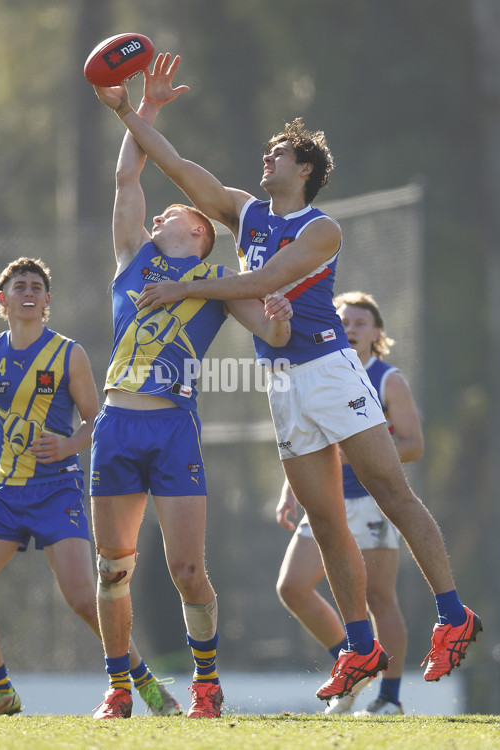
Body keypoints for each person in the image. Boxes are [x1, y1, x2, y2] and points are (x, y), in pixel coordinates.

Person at [93, 56, 482, 703]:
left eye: (278, 154)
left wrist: (186, 286)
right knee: (325, 521)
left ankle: (453, 614)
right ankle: (359, 646)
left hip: (330, 371)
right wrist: (129, 112)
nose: (266, 159)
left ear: (304, 170)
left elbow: (264, 282)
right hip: (282, 385)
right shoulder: (244, 214)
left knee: (390, 490)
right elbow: (178, 168)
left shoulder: (320, 229)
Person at [89, 55, 292, 720]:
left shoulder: (216, 282)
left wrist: (282, 318)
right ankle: (119, 688)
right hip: (117, 425)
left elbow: (273, 332)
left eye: (199, 218)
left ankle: (206, 685)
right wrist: (143, 109)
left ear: (206, 238)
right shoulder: (133, 258)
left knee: (187, 573)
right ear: (156, 229)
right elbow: (127, 176)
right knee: (112, 569)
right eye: (174, 212)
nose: (185, 215)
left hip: (172, 428)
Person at [0, 256, 180, 718]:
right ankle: (2, 691)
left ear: (48, 301)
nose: (29, 292)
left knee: (82, 598)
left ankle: (145, 683)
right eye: (19, 286)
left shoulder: (68, 353)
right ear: (3, 299)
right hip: (5, 492)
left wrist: (69, 445)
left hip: (57, 490)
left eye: (37, 286)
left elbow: (98, 419)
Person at [276, 291, 423, 715]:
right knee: (292, 588)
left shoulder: (388, 379)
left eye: (361, 323)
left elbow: (413, 445)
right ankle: (355, 662)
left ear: (377, 333)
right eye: (343, 321)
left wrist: (365, 451)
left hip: (371, 503)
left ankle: (390, 699)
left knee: (378, 598)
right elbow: (303, 443)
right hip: (326, 502)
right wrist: (290, 490)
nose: (351, 329)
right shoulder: (315, 373)